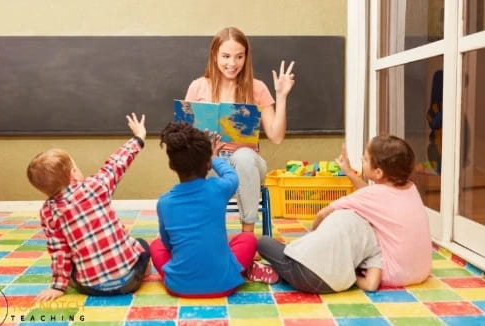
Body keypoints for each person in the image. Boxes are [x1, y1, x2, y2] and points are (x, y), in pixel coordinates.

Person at [26, 113, 150, 301]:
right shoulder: (96, 186)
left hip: (92, 288)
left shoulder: (48, 211)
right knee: (142, 244)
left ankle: (81, 277)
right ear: (73, 175)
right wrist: (139, 136)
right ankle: (142, 270)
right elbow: (118, 162)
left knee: (72, 259)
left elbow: (58, 250)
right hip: (129, 281)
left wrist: (59, 286)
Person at [185, 26, 295, 233]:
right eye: (226, 56)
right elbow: (185, 134)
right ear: (214, 55)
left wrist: (281, 96)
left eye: (239, 57)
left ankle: (248, 234)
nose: (232, 63)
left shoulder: (257, 88)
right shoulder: (198, 86)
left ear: (246, 57)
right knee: (197, 165)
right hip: (212, 163)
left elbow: (276, 136)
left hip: (249, 164)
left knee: (243, 156)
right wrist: (203, 147)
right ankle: (205, 235)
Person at [149, 122, 257, 298]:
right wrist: (216, 158)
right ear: (208, 164)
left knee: (156, 245)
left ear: (172, 165)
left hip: (179, 287)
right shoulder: (219, 188)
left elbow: (168, 244)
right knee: (248, 239)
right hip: (225, 284)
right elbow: (232, 176)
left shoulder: (164, 202)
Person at [314, 135, 432, 287]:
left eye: (365, 159)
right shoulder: (410, 187)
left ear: (378, 173)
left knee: (351, 228)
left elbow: (322, 213)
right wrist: (349, 172)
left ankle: (358, 279)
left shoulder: (373, 195)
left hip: (392, 275)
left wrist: (313, 236)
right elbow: (374, 196)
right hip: (421, 271)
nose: (362, 160)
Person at [254, 209, 382, 293]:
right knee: (286, 257)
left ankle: (274, 272)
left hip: (304, 272)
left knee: (263, 241)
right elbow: (371, 285)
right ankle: (279, 274)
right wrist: (352, 276)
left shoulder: (344, 213)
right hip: (334, 286)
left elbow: (320, 218)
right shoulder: (377, 244)